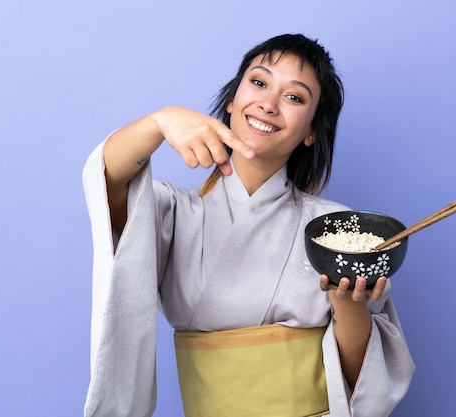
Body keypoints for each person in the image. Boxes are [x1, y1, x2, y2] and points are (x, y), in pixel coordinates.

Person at [82, 33, 414, 417]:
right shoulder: (173, 211)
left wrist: (348, 306)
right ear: (231, 100)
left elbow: (364, 386)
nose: (268, 104)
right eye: (258, 82)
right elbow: (108, 182)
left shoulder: (333, 231)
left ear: (310, 131)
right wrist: (158, 122)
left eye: (294, 97)